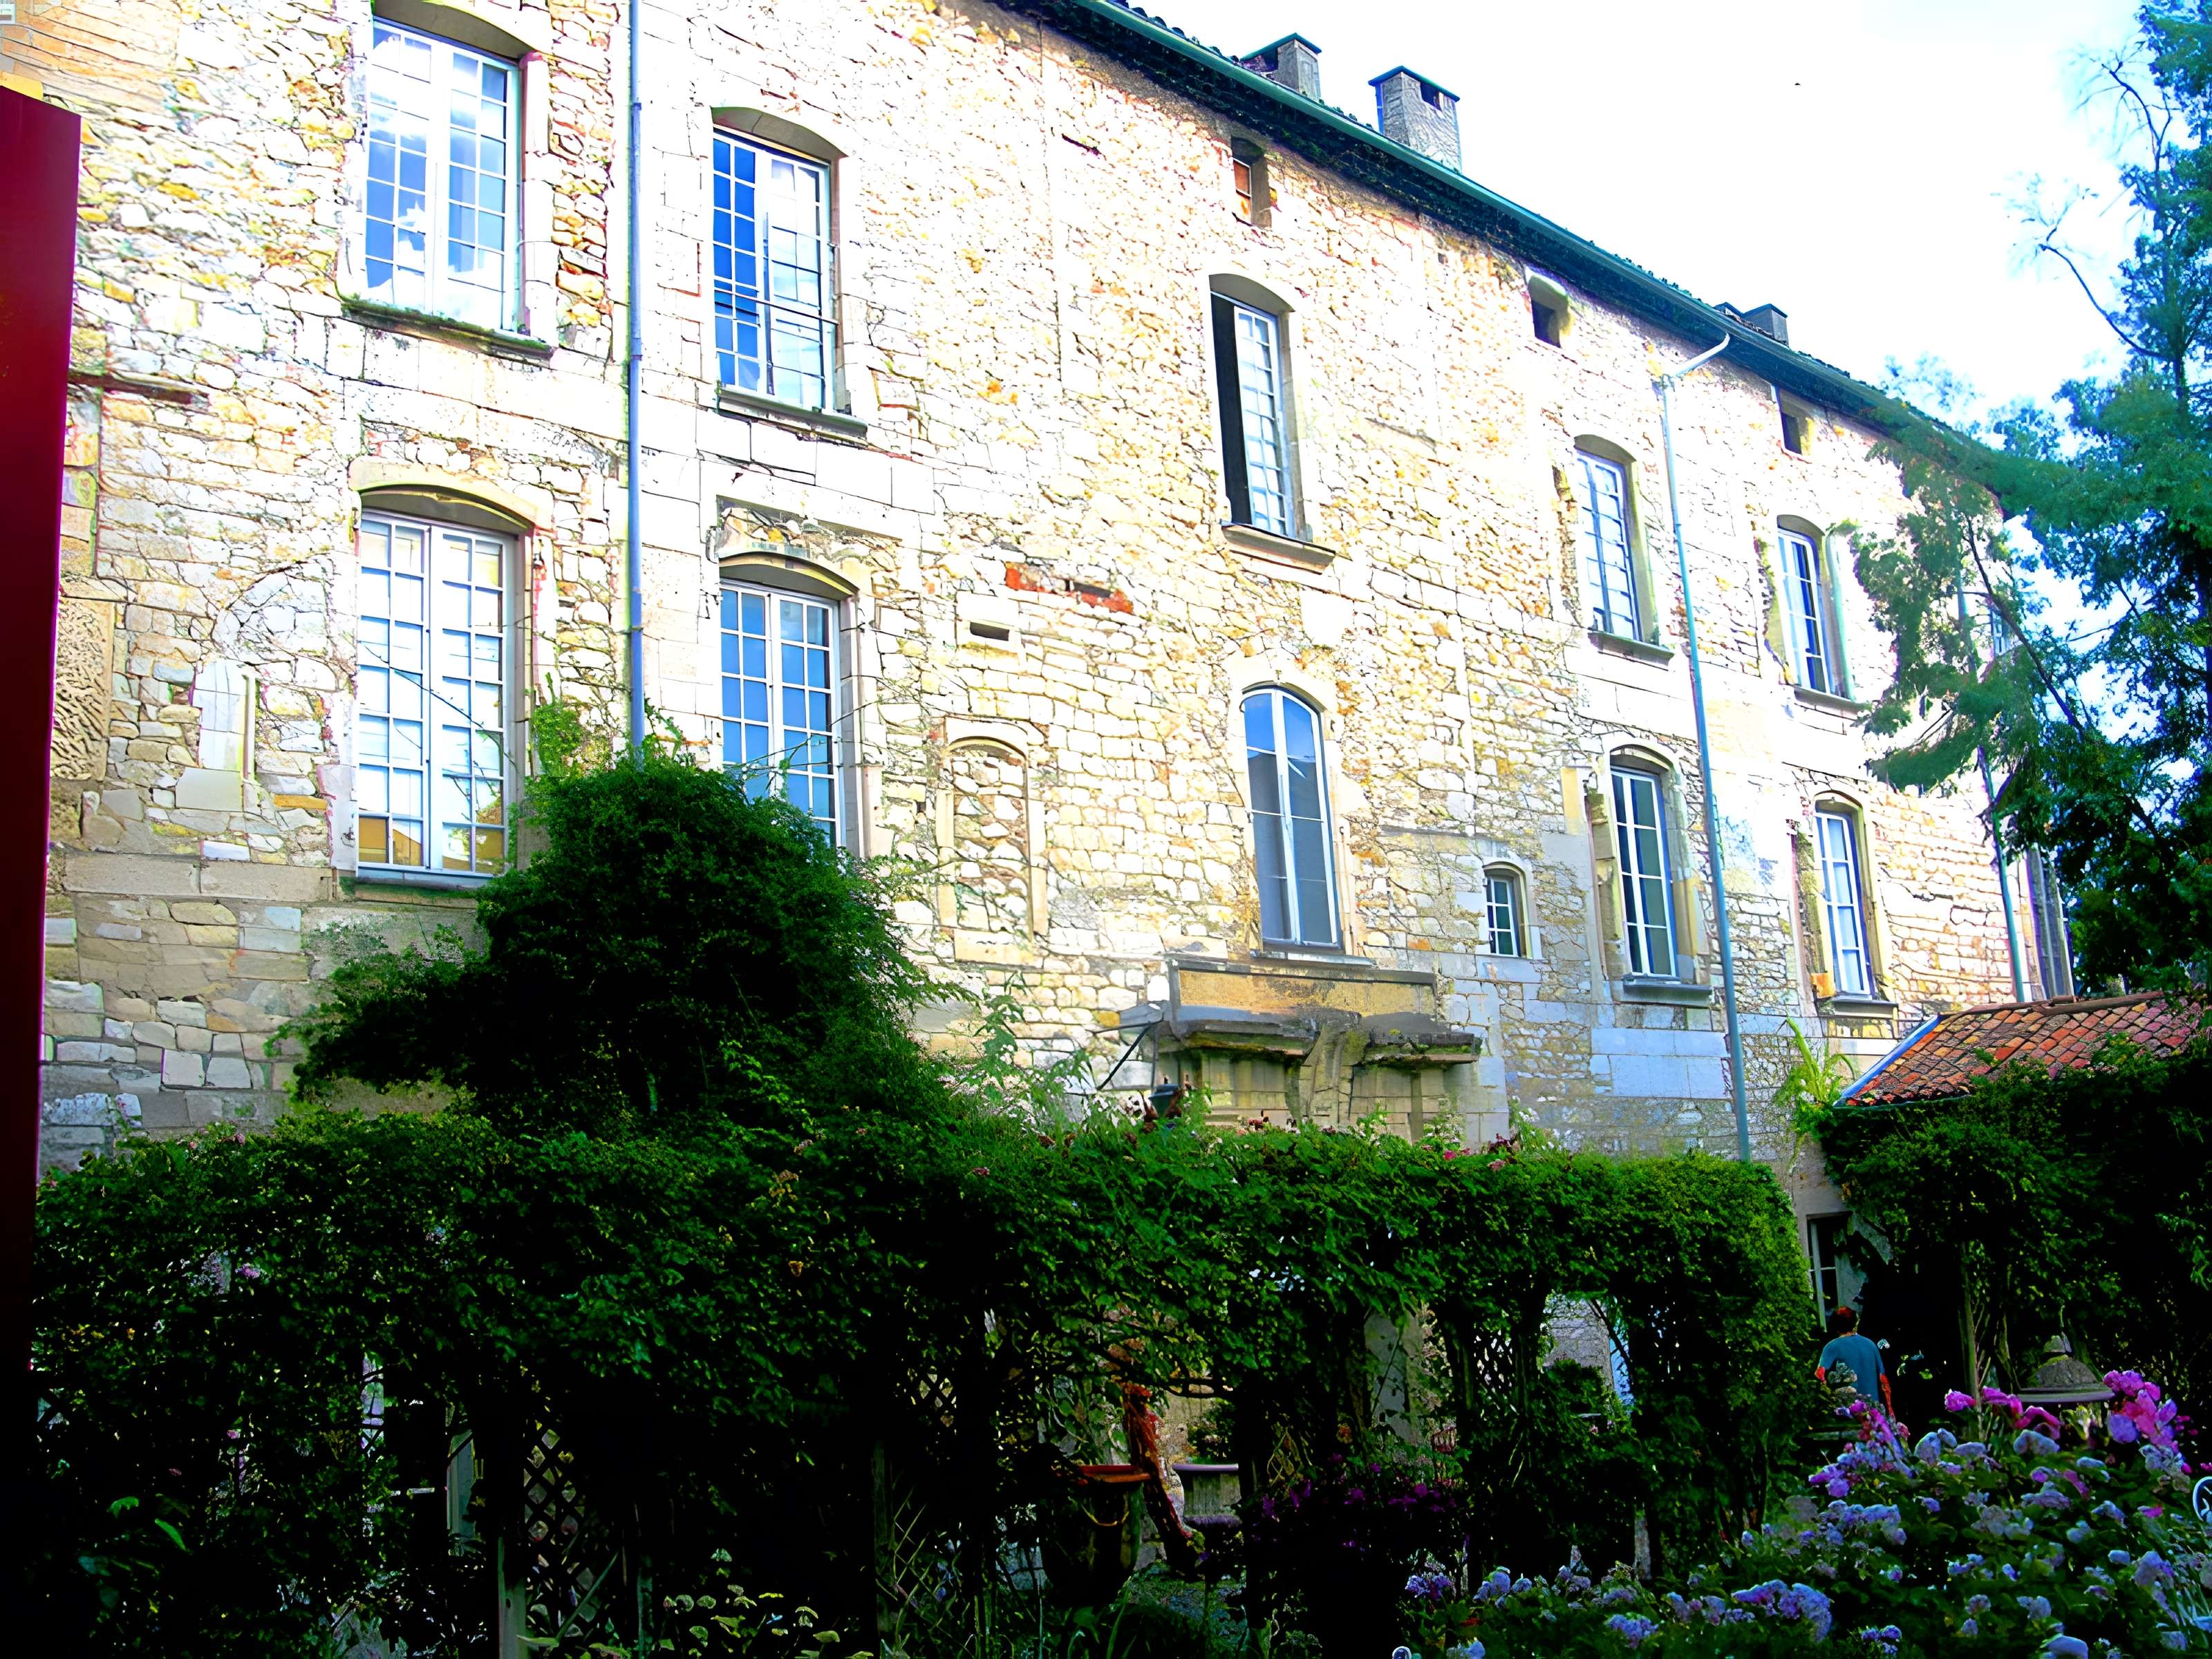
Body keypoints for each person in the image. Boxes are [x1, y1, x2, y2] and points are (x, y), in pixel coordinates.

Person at [1816, 1306, 1894, 1421]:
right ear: (1856, 1322)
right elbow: (1883, 1381)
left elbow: (1819, 1375)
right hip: (1874, 1412)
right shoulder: (1871, 1345)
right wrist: (1890, 1409)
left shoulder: (1832, 1347)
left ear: (1835, 1326)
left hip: (1849, 1412)